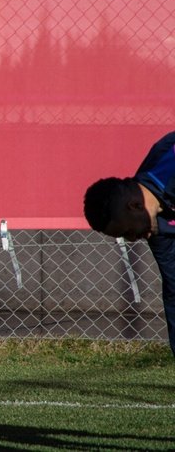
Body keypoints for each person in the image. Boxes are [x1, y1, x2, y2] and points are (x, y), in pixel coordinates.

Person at [84, 131, 175, 358]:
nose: (133, 239)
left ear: (134, 206)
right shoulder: (155, 227)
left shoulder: (169, 162)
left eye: (127, 232)